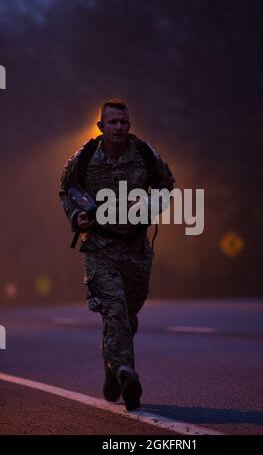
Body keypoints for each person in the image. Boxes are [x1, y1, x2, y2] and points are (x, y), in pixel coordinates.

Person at [59, 98, 175, 410]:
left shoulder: (145, 154)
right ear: (101, 126)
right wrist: (76, 216)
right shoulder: (83, 158)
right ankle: (126, 373)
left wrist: (151, 206)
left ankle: (112, 366)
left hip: (136, 250)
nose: (119, 127)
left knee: (129, 313)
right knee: (115, 312)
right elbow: (65, 190)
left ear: (129, 125)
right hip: (100, 249)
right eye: (112, 122)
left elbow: (167, 185)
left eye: (123, 122)